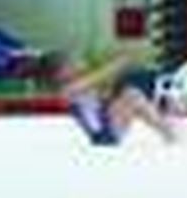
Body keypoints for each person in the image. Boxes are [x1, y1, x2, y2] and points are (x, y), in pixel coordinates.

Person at [37, 49, 175, 146]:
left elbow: (105, 94)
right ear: (61, 73)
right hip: (104, 136)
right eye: (72, 62)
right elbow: (106, 73)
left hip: (106, 124)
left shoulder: (79, 86)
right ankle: (169, 134)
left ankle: (168, 119)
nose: (77, 62)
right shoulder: (68, 90)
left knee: (131, 88)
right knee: (131, 95)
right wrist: (121, 61)